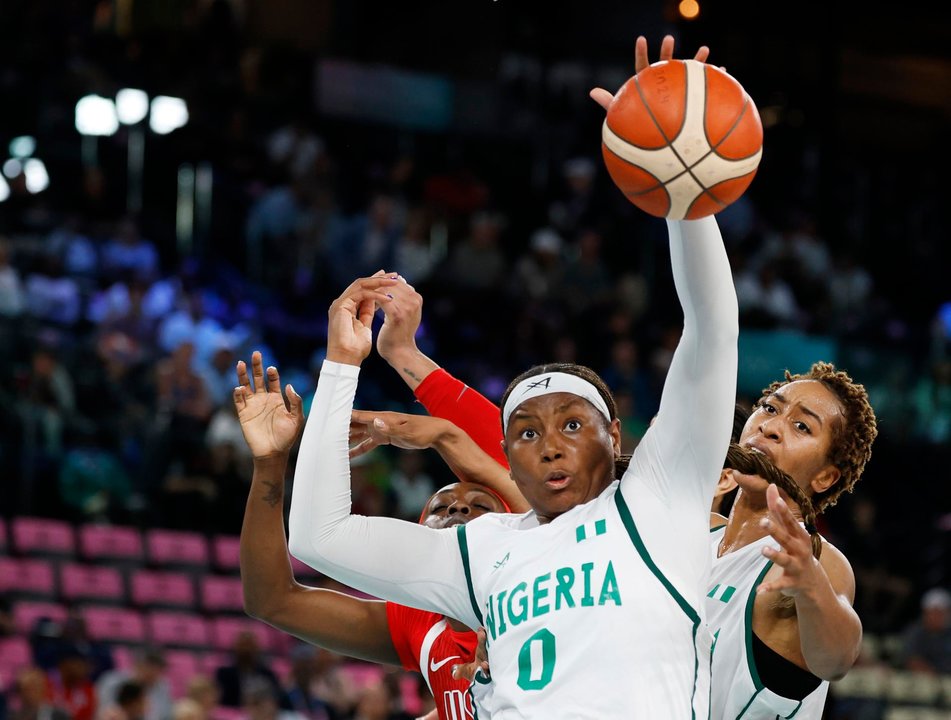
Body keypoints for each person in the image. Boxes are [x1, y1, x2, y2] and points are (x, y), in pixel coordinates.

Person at [287, 32, 739, 709]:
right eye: (524, 432)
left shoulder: (658, 501)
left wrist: (683, 197)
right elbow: (316, 539)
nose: (549, 441)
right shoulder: (481, 550)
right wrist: (341, 366)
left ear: (615, 438)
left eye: (571, 423)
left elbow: (711, 330)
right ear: (502, 458)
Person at [233, 351, 516, 720]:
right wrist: (269, 464)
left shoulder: (549, 596)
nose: (458, 510)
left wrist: (445, 434)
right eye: (440, 509)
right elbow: (270, 600)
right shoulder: (421, 627)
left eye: (479, 507)